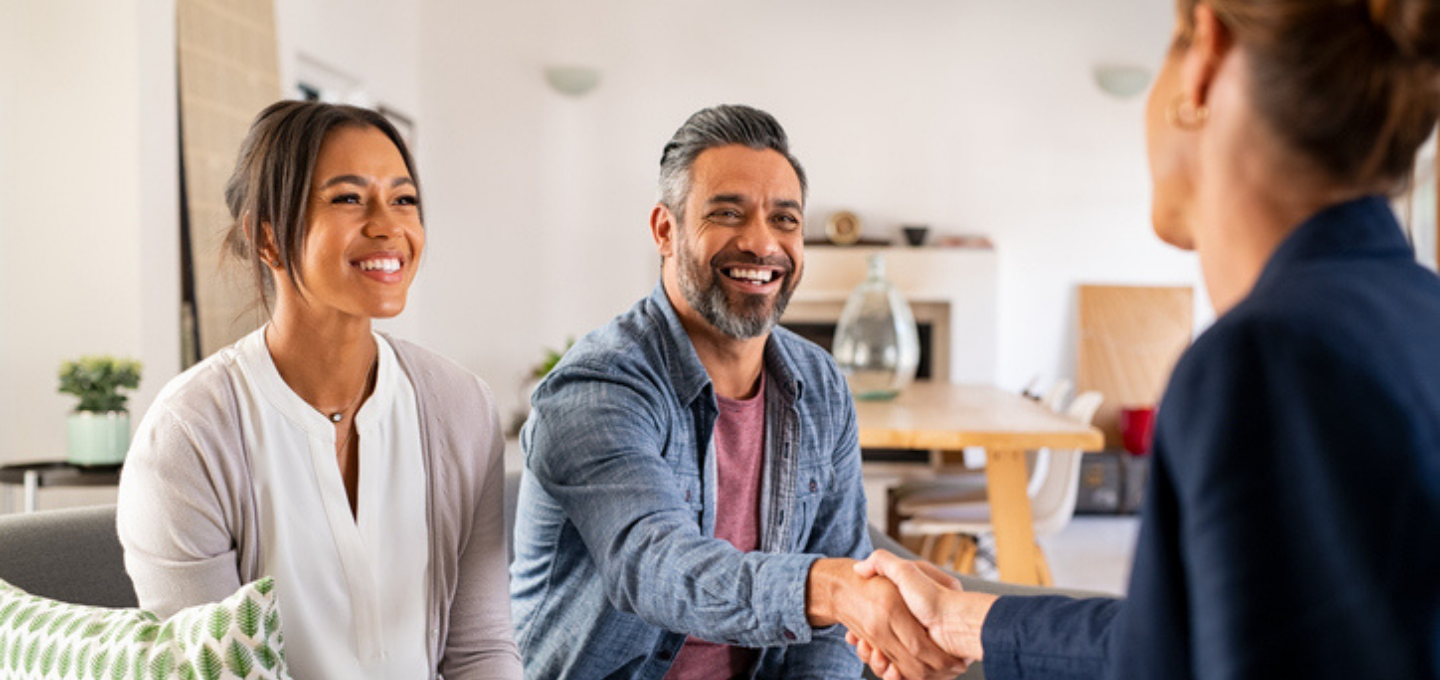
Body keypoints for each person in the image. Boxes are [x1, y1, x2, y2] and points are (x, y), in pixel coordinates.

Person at [851, 0, 1440, 678]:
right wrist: (964, 621)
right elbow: (1187, 637)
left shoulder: (1270, 360)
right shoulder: (1415, 318)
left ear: (1204, 57)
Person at [508, 104, 968, 680]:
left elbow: (832, 631)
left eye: (785, 220)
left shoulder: (819, 384)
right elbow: (655, 567)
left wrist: (844, 598)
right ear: (665, 230)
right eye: (728, 213)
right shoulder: (598, 387)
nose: (761, 243)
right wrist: (830, 587)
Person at [116, 100, 522, 680]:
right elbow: (211, 672)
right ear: (268, 240)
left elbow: (480, 648)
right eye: (348, 198)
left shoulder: (461, 407)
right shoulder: (190, 435)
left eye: (404, 199)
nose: (389, 226)